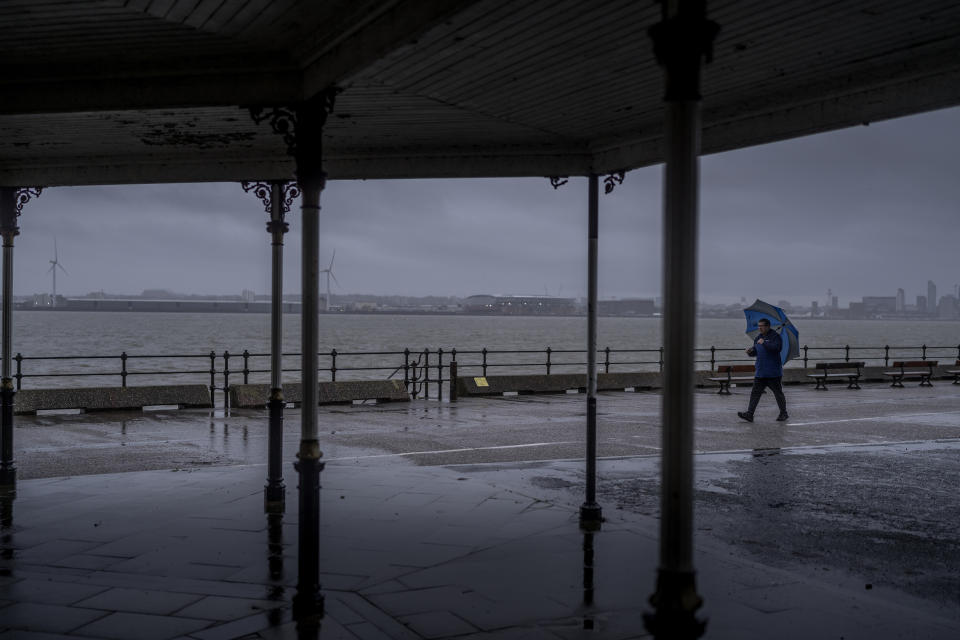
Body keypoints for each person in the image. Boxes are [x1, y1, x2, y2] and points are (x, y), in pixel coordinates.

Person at [738, 318, 789, 422]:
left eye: (761, 326)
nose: (759, 328)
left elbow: (777, 348)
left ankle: (784, 413)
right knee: (755, 393)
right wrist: (750, 352)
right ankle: (750, 414)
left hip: (773, 372)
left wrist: (764, 343)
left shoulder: (776, 337)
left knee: (778, 393)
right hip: (760, 372)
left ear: (767, 326)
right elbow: (756, 351)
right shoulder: (758, 337)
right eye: (758, 326)